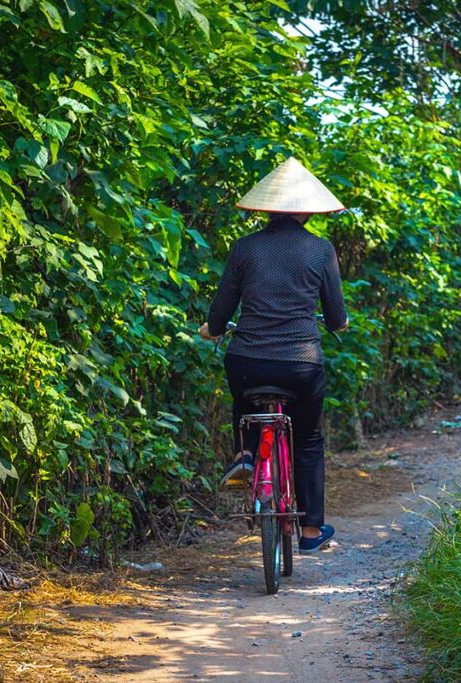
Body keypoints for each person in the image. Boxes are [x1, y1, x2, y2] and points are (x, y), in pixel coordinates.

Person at [199, 157, 348, 553]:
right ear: (306, 209)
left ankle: (247, 453)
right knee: (310, 440)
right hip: (301, 364)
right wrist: (339, 325)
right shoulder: (320, 250)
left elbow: (222, 309)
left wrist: (211, 330)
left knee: (243, 400)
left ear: (267, 207)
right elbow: (336, 316)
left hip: (248, 359)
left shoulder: (245, 248)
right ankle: (312, 532)